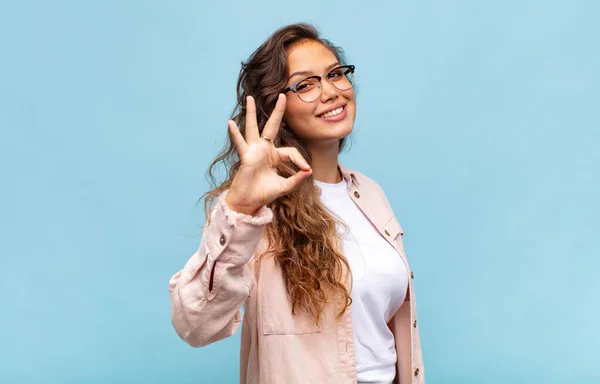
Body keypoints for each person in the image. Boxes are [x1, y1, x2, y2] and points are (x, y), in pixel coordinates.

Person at [169, 23, 425, 384]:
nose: (331, 91)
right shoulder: (256, 209)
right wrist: (241, 207)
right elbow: (195, 325)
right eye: (305, 84)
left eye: (335, 74)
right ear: (277, 107)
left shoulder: (370, 193)